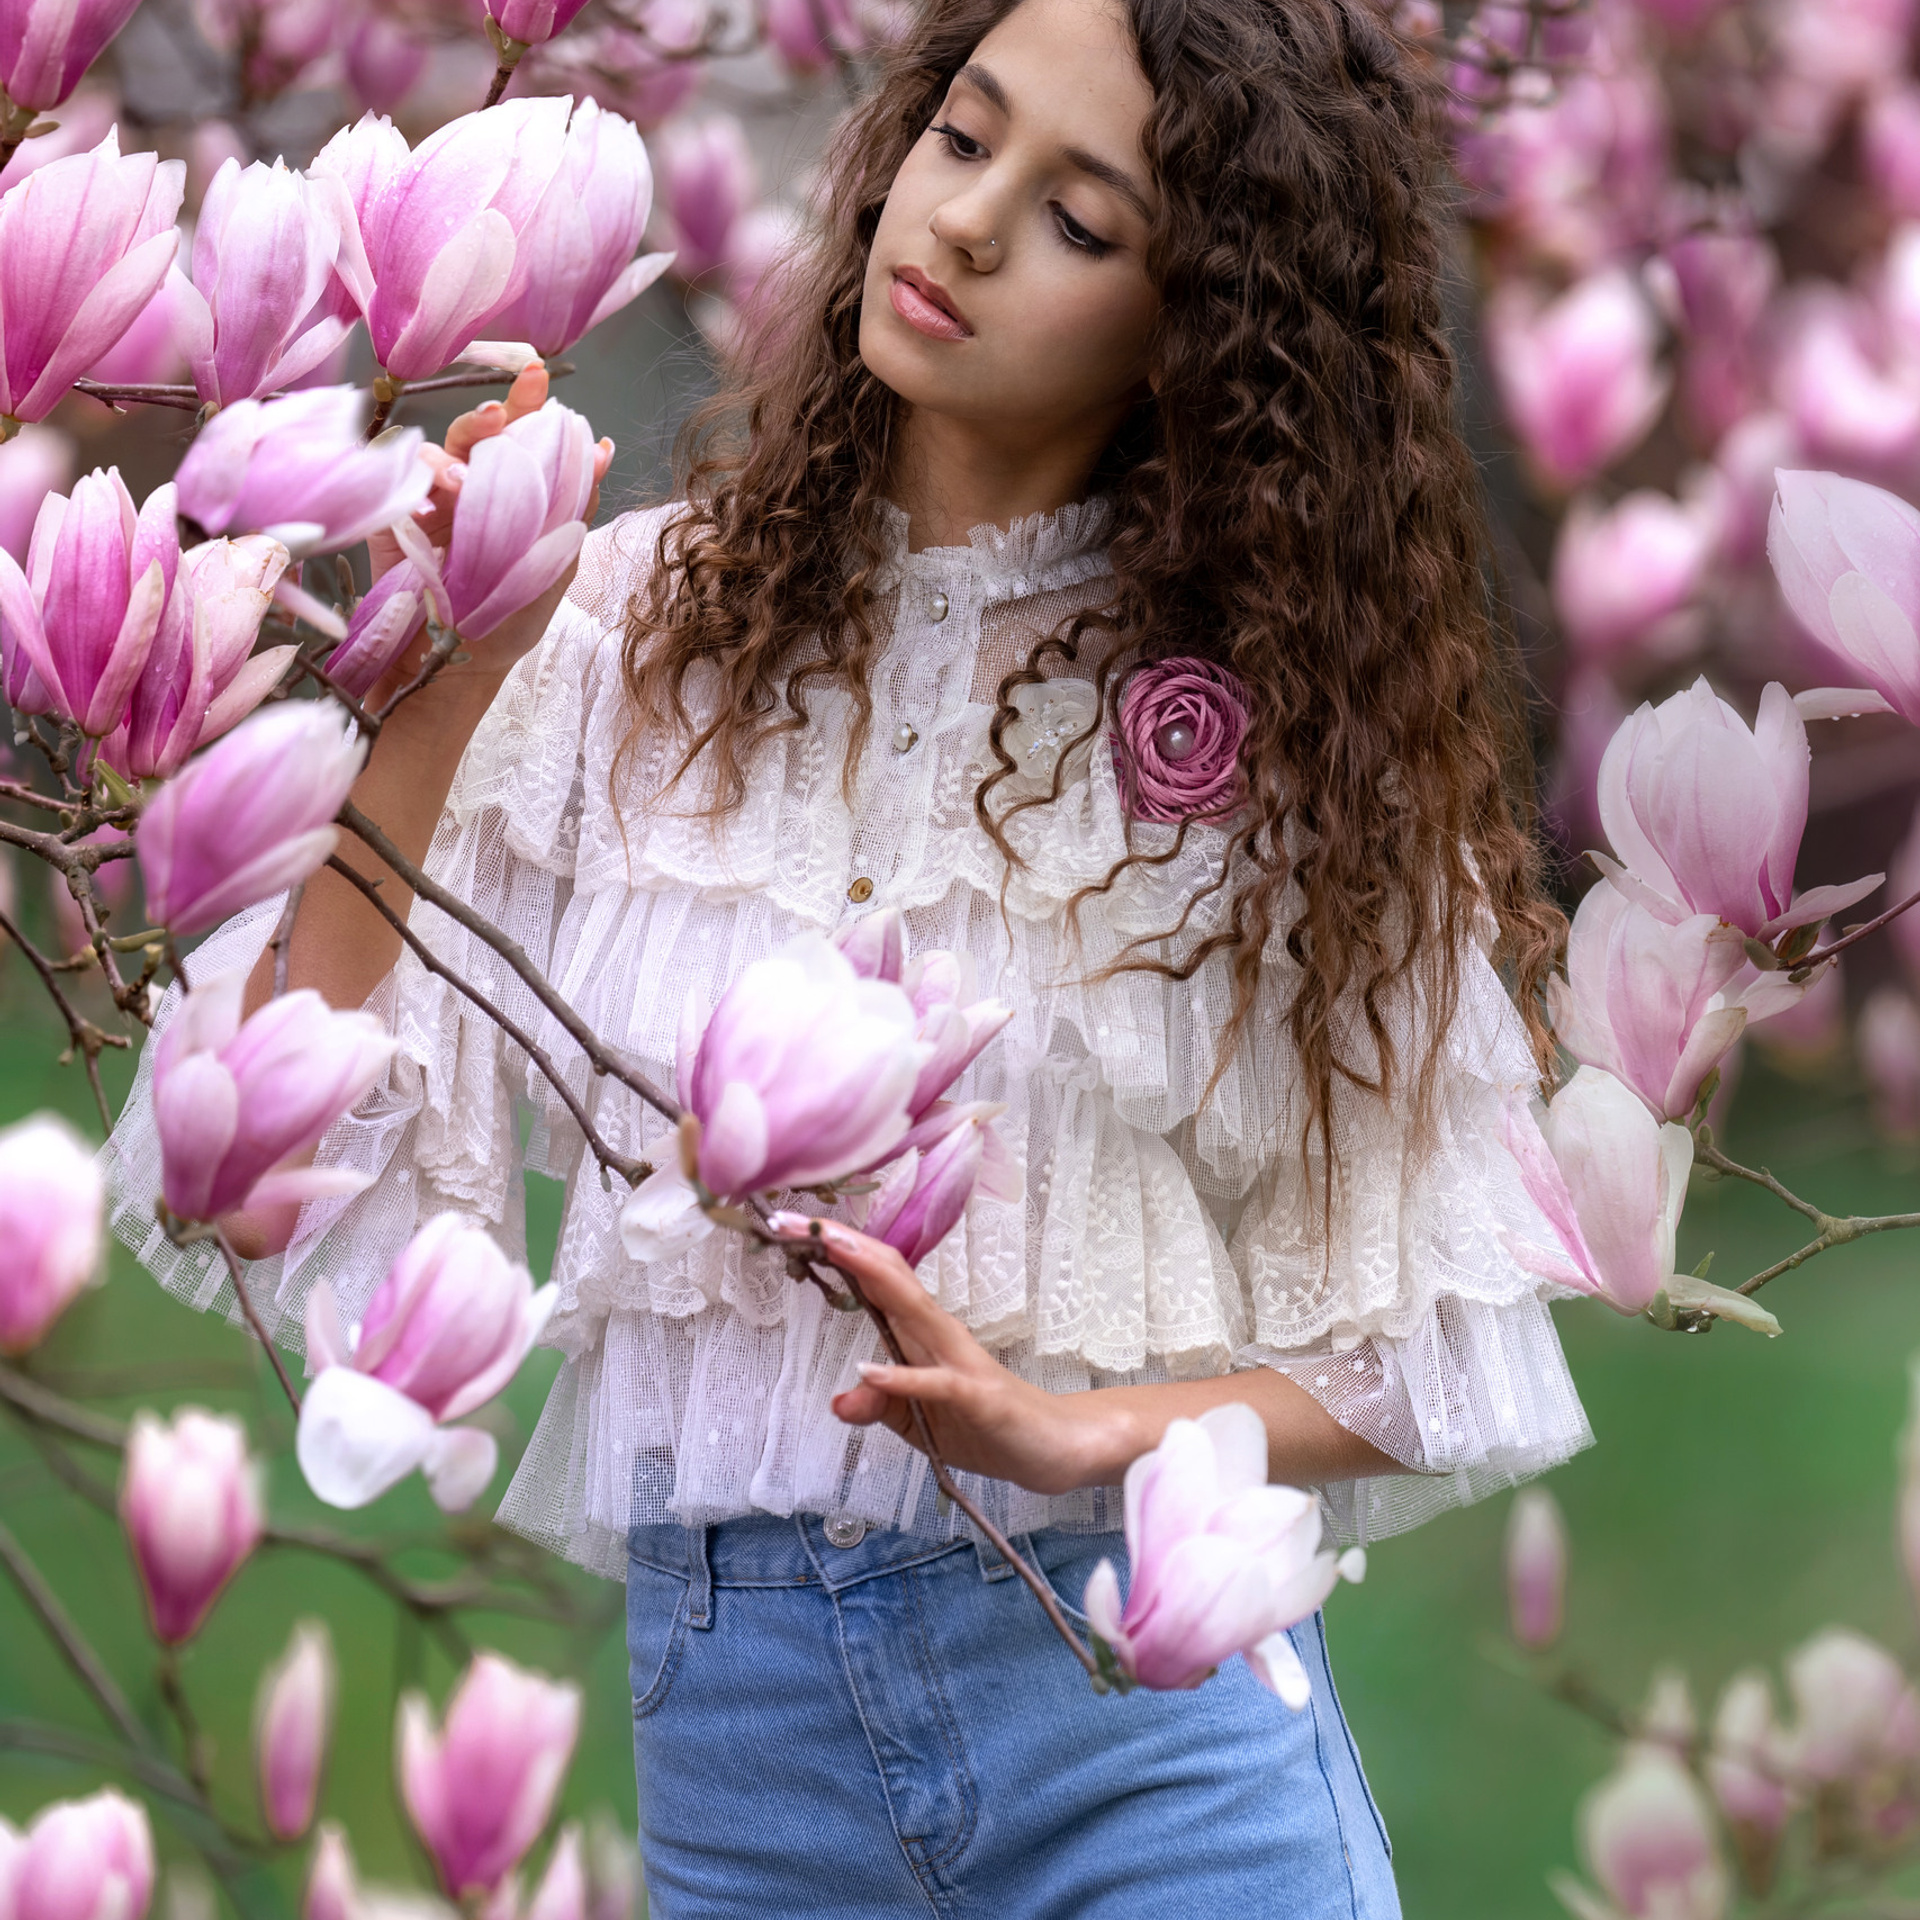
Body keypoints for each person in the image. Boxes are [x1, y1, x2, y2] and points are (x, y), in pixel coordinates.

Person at [109, 0, 1593, 1909]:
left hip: (1144, 1736)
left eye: (1081, 221)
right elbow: (265, 1152)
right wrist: (454, 667)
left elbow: (1435, 1350)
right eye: (964, 139)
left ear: (1198, 335)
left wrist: (1076, 1430)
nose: (963, 225)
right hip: (751, 1766)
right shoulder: (632, 626)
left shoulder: (1285, 740)